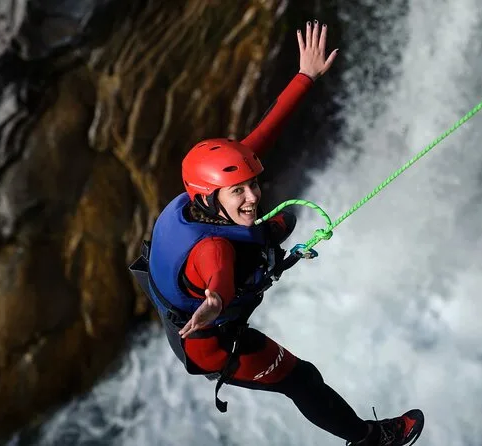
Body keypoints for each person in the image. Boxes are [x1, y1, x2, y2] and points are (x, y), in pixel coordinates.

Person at [129, 19, 424, 446]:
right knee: (301, 380)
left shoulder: (200, 199)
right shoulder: (214, 248)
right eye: (239, 191)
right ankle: (371, 440)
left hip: (189, 322)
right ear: (210, 197)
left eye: (253, 184)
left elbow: (266, 131)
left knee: (279, 226)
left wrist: (305, 76)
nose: (252, 196)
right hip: (211, 344)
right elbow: (218, 279)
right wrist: (215, 303)